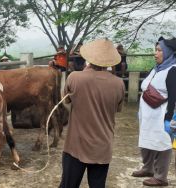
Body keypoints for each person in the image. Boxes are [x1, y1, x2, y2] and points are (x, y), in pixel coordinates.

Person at [59, 39, 125, 188]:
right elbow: (117, 109)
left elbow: (66, 101)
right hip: (102, 146)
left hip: (76, 145)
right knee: (97, 185)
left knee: (68, 185)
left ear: (89, 58)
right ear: (110, 60)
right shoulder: (119, 83)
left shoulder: (75, 77)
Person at [131, 37, 176, 186]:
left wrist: (168, 119)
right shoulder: (157, 68)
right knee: (146, 140)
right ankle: (148, 168)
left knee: (162, 143)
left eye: (159, 50)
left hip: (161, 115)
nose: (155, 53)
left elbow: (173, 97)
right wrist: (140, 111)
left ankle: (161, 177)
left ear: (168, 52)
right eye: (155, 50)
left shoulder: (172, 70)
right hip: (148, 113)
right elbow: (146, 87)